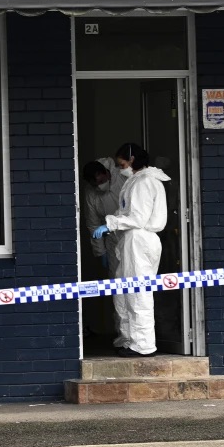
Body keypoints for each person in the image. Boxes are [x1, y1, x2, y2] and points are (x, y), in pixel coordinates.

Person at [90, 142, 170, 357]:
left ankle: (143, 345)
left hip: (139, 239)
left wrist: (111, 224)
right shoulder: (136, 181)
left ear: (132, 160)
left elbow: (138, 218)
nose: (120, 168)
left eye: (122, 164)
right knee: (125, 291)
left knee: (137, 293)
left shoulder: (144, 182)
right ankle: (129, 340)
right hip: (134, 240)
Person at [79, 158, 125, 340]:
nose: (100, 186)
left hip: (133, 236)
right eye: (96, 184)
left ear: (107, 173)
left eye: (102, 181)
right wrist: (101, 252)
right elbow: (92, 224)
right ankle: (123, 336)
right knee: (118, 289)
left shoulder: (121, 176)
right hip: (112, 240)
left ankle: (140, 337)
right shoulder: (91, 194)